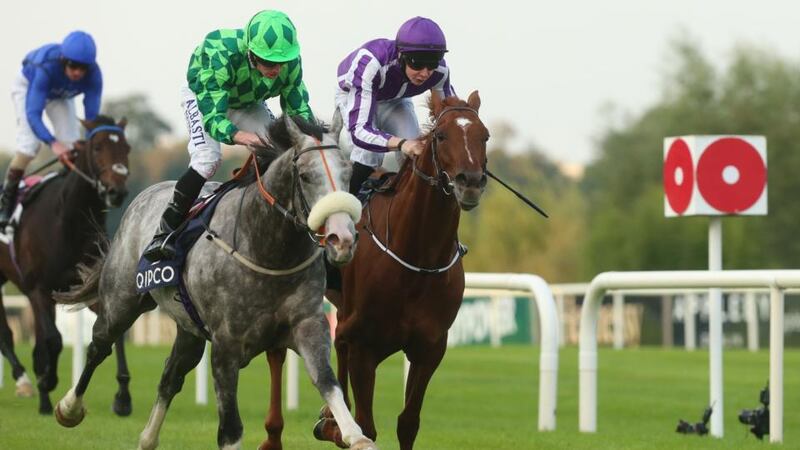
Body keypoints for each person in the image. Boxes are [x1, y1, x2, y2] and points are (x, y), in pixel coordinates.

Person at [143, 9, 314, 261]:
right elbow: (213, 118)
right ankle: (164, 232)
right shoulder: (220, 51)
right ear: (250, 54)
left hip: (248, 101)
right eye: (268, 62)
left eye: (281, 62)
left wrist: (312, 142)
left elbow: (298, 111)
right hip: (205, 96)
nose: (276, 69)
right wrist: (242, 137)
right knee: (207, 159)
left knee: (279, 153)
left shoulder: (291, 63)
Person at [335, 16, 455, 196]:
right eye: (417, 62)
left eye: (432, 63)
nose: (424, 73)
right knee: (369, 154)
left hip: (395, 100)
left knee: (416, 151)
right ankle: (343, 208)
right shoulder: (371, 63)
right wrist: (401, 144)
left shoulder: (440, 72)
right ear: (401, 55)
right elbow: (360, 131)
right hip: (354, 94)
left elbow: (448, 117)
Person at [0, 31, 102, 227]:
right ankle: (6, 201)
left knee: (73, 145)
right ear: (63, 60)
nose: (78, 73)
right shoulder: (46, 67)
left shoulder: (95, 76)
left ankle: (69, 199)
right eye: (73, 66)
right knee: (30, 145)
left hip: (60, 95)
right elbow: (33, 114)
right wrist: (53, 143)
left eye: (83, 68)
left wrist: (88, 143)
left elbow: (92, 119)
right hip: (29, 86)